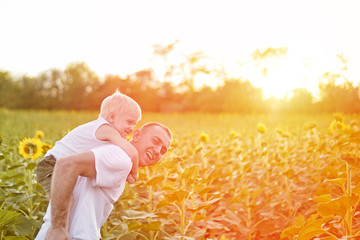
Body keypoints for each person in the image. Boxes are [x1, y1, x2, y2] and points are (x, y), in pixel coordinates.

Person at [35, 122, 172, 240]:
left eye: (163, 150)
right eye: (155, 141)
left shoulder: (116, 154)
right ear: (136, 135)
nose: (157, 150)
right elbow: (66, 165)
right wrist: (58, 226)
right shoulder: (121, 158)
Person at [36, 90, 141, 201]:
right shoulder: (106, 129)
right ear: (111, 117)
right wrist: (134, 173)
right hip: (52, 166)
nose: (132, 128)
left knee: (72, 198)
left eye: (135, 124)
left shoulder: (103, 129)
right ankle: (59, 218)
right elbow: (132, 152)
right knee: (66, 199)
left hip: (63, 167)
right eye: (129, 122)